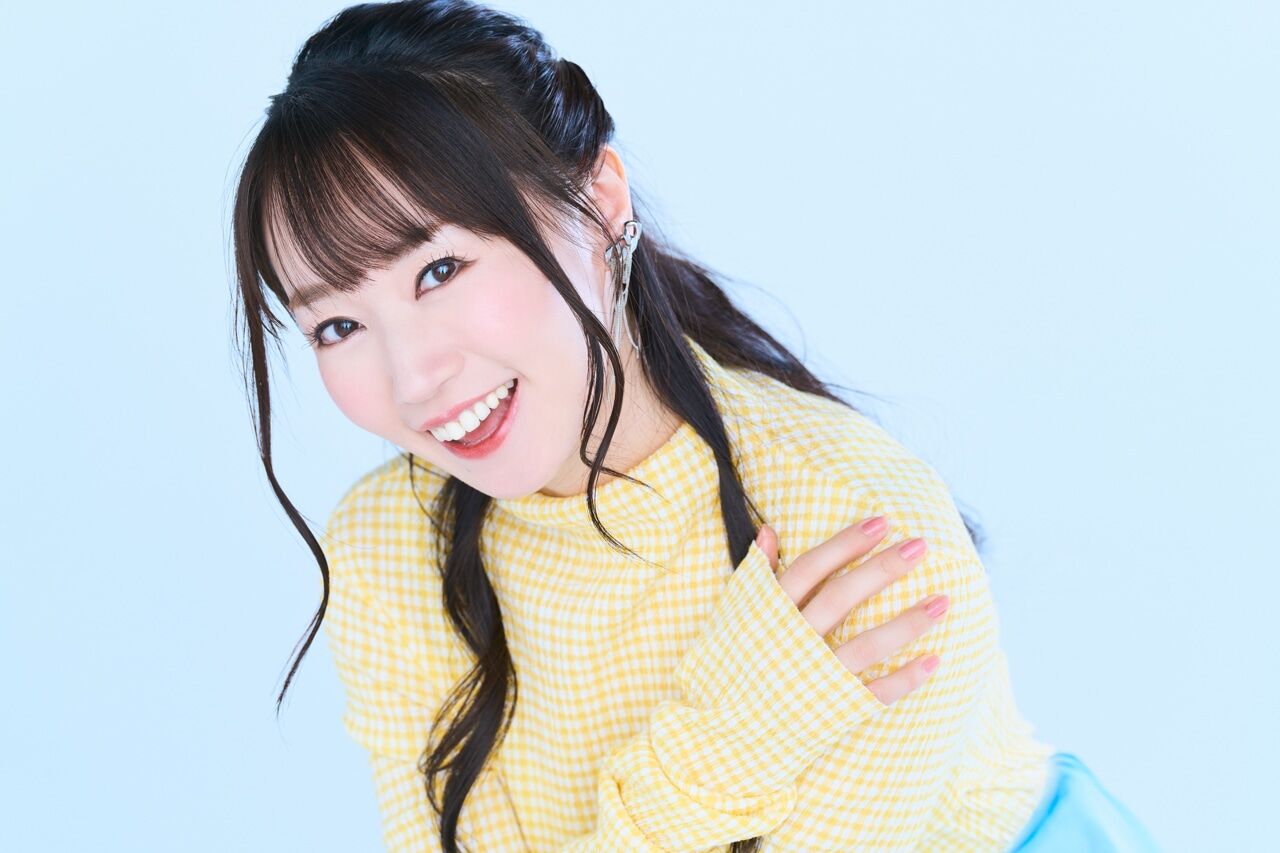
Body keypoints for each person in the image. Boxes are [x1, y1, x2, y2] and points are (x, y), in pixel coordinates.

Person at [228, 1, 1163, 850]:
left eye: (439, 270)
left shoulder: (855, 535)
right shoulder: (392, 543)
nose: (412, 377)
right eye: (337, 325)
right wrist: (720, 748)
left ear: (600, 204)